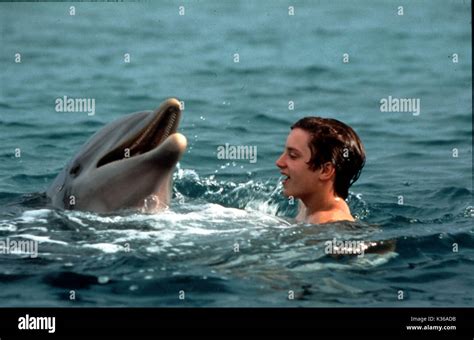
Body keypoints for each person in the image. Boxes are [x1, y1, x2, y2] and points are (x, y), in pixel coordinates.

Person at [276, 117, 365, 224]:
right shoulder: (308, 203)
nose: (279, 162)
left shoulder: (329, 223)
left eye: (293, 156)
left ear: (325, 171)